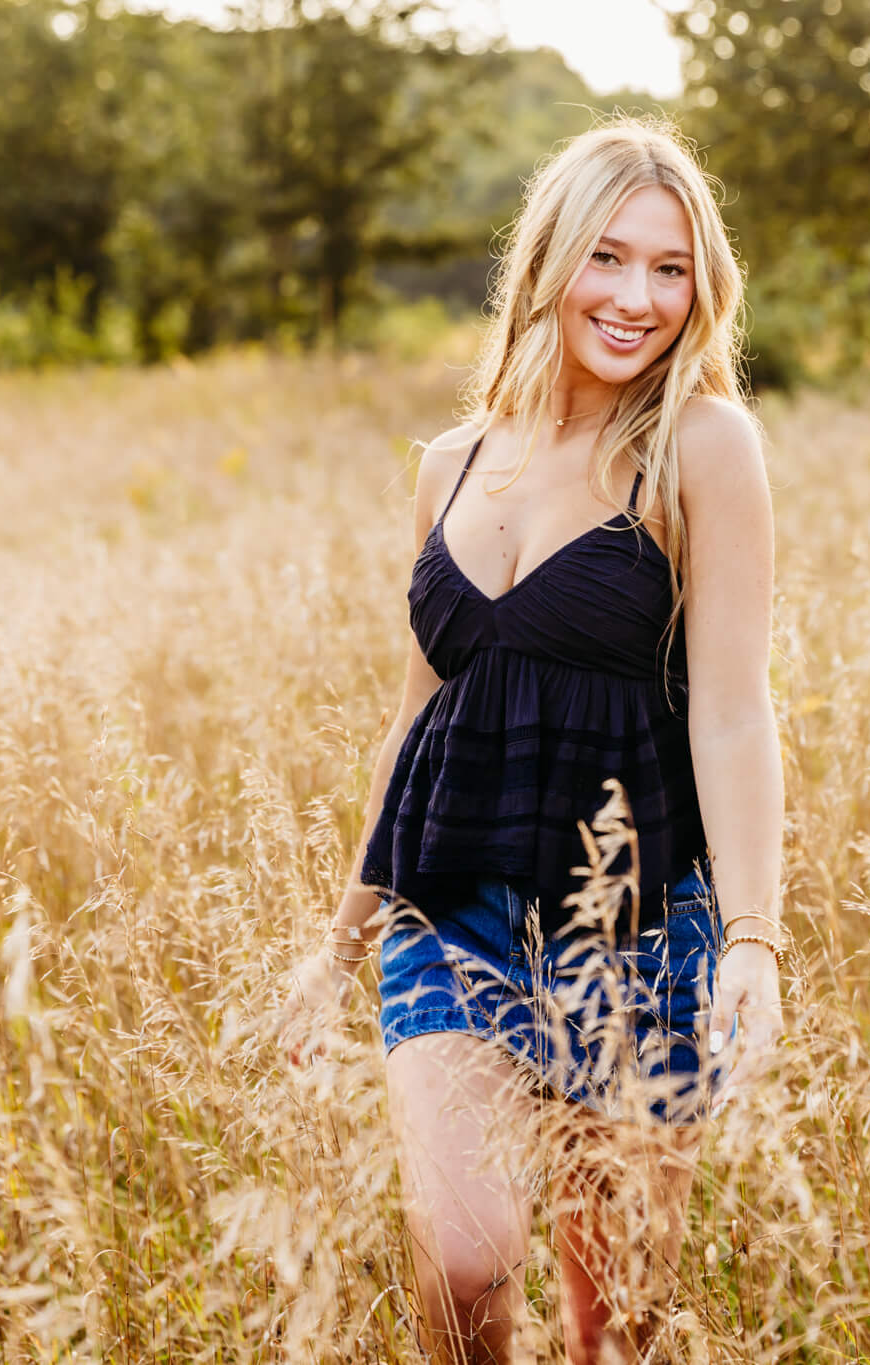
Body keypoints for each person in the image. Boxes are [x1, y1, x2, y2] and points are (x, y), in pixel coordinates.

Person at [278, 117, 786, 1364]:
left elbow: (731, 708)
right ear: (548, 261)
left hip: (639, 926)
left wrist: (751, 942)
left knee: (615, 1319)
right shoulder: (451, 467)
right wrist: (334, 948)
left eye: (670, 270)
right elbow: (419, 723)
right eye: (608, 259)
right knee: (463, 1264)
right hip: (450, 918)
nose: (636, 299)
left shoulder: (702, 448)